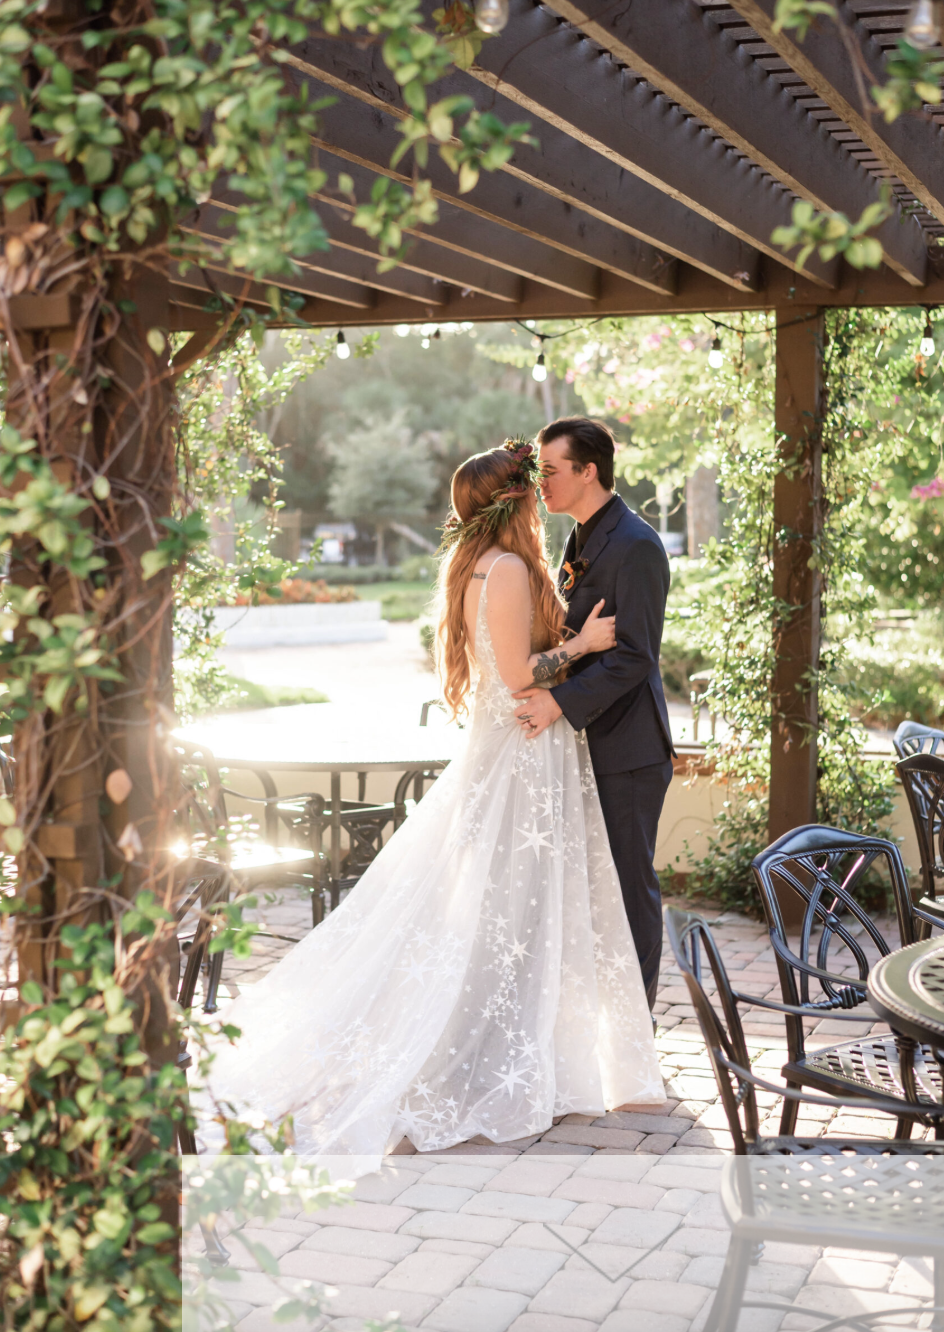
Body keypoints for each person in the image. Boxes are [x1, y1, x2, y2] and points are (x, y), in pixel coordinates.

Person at [206, 439, 662, 1156]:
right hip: (519, 750)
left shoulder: (473, 564)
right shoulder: (508, 567)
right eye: (530, 484)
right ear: (510, 503)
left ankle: (519, 1042)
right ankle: (490, 1049)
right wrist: (582, 644)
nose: (540, 495)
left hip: (510, 750)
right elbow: (518, 674)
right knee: (511, 906)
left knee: (503, 906)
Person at [513, 418, 674, 1010]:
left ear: (589, 471)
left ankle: (638, 1030)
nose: (541, 482)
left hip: (628, 751)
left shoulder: (636, 545)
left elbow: (634, 656)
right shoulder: (579, 538)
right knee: (591, 890)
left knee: (629, 892)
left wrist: (557, 700)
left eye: (550, 470)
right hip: (587, 746)